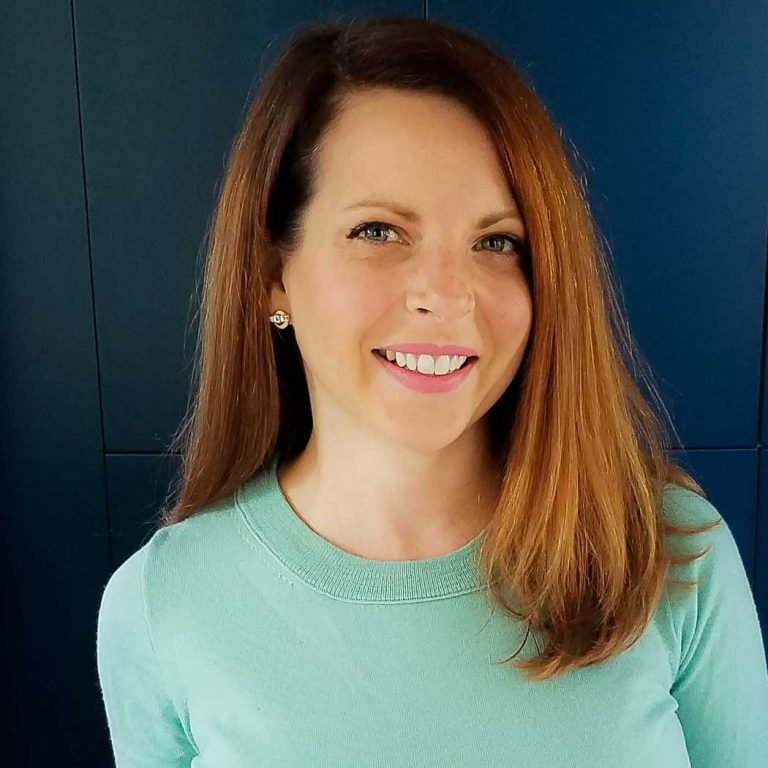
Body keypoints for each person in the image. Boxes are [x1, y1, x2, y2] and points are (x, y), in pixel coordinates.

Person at [95, 16, 768, 767]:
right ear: (271, 274)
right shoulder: (162, 605)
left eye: (496, 242)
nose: (446, 296)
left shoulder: (670, 553)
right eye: (379, 231)